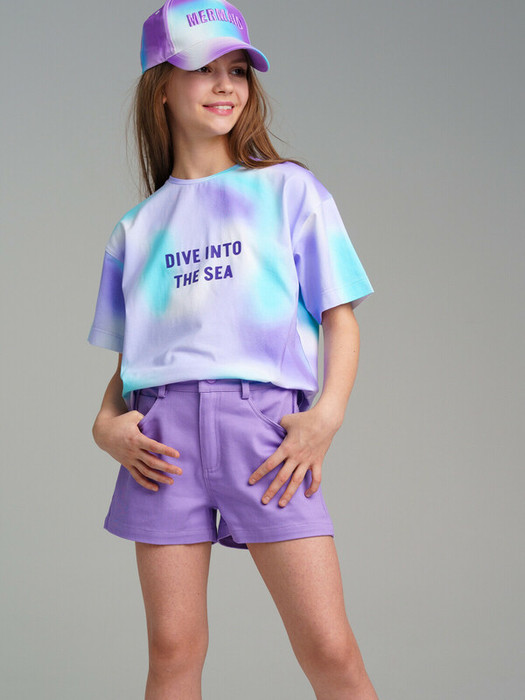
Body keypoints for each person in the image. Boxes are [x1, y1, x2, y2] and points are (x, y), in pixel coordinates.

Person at [88, 1, 379, 698]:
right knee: (172, 651)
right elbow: (135, 360)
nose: (225, 85)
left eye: (238, 70)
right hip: (162, 442)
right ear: (161, 86)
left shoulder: (287, 190)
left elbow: (339, 317)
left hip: (264, 434)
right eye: (203, 69)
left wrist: (326, 415)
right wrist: (104, 424)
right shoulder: (135, 230)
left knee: (328, 648)